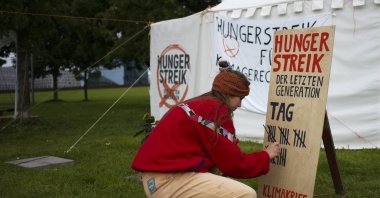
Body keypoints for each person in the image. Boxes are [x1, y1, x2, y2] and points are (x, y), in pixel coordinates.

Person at [131, 61, 280, 198]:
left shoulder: (202, 104)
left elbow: (223, 157)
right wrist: (266, 155)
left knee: (218, 173)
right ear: (228, 94)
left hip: (157, 178)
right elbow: (235, 164)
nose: (240, 104)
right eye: (240, 98)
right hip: (166, 180)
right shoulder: (215, 110)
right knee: (246, 194)